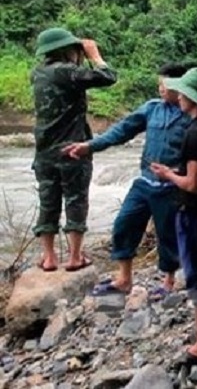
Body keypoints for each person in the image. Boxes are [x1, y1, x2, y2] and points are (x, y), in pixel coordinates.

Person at [65, 63, 192, 296]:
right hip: (145, 180)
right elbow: (122, 131)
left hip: (171, 185)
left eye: (164, 84)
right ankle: (124, 278)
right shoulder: (152, 109)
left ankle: (169, 281)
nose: (160, 88)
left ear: (179, 87)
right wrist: (89, 146)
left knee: (167, 234)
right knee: (124, 224)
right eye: (159, 84)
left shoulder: (191, 115)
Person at [150, 67, 197, 364]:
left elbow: (194, 184)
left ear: (192, 98)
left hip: (194, 212)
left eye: (182, 92)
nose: (178, 96)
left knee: (195, 274)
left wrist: (169, 174)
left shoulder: (194, 133)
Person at [31, 28, 117, 272]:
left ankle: (48, 258)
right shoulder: (67, 71)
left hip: (44, 152)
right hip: (73, 149)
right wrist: (93, 54)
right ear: (66, 50)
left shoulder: (37, 73)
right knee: (76, 201)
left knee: (47, 203)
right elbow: (108, 76)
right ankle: (75, 257)